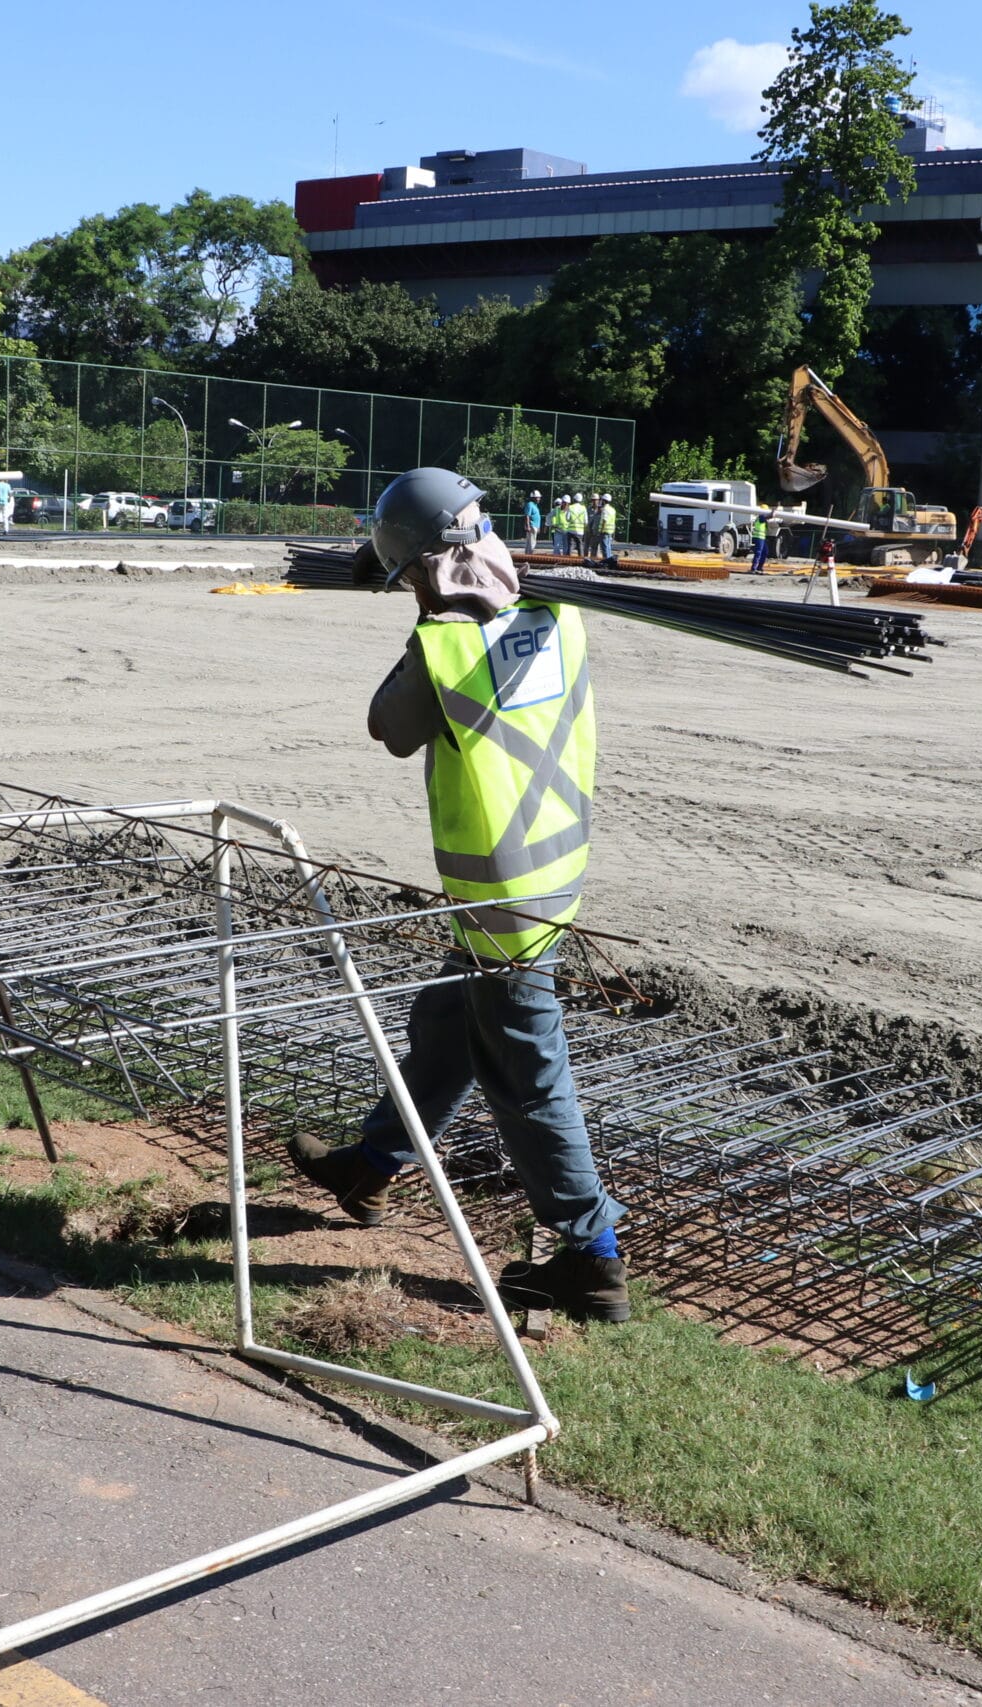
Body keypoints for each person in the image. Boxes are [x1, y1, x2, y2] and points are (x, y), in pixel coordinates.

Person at [288, 466, 628, 1324]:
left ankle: (590, 1258)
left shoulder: (445, 645)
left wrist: (422, 624)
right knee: (447, 1028)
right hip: (550, 873)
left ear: (421, 568)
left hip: (499, 898)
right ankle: (372, 1163)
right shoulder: (556, 611)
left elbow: (388, 726)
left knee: (528, 1076)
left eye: (404, 572)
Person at [597, 493, 617, 563]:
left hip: (604, 532)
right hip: (610, 531)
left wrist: (601, 531)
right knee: (608, 548)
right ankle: (610, 562)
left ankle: (607, 563)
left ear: (604, 501)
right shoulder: (612, 509)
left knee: (605, 549)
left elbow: (604, 521)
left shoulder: (605, 509)